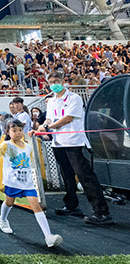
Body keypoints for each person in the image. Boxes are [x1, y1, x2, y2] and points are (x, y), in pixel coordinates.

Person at [35, 71, 113, 225]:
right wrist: (44, 126)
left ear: (62, 81)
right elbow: (49, 118)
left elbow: (68, 118)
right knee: (67, 176)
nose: (54, 84)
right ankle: (71, 205)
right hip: (58, 143)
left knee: (85, 176)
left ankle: (102, 212)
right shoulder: (51, 101)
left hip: (74, 143)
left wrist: (48, 127)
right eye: (51, 82)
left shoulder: (74, 98)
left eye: (56, 81)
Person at [0, 119, 63, 247]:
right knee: (9, 202)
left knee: (37, 207)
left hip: (27, 183)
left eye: (20, 130)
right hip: (12, 182)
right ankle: (2, 219)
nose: (18, 133)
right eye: (14, 130)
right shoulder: (6, 145)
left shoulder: (28, 147)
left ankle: (48, 237)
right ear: (8, 132)